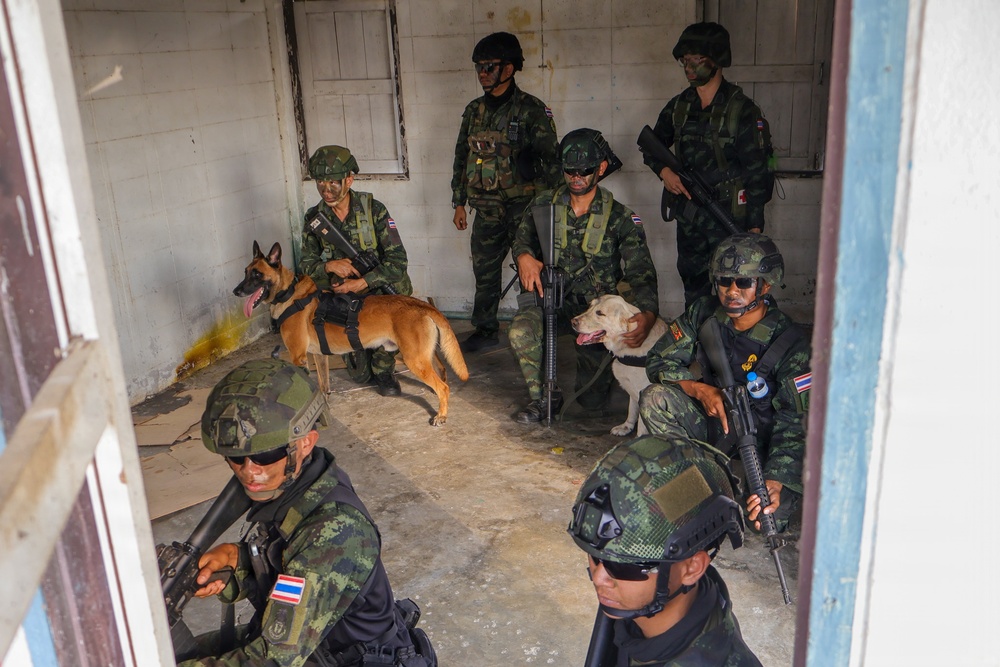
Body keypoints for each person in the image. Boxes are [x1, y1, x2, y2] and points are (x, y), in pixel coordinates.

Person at [177, 358, 434, 667]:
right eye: (235, 456)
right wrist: (236, 561)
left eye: (265, 454)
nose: (249, 471)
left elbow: (275, 660)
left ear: (305, 443)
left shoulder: (335, 529)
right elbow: (288, 564)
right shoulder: (301, 483)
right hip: (316, 643)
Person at [638, 234, 811, 532]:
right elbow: (658, 361)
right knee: (656, 398)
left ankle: (731, 485)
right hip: (715, 423)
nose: (732, 291)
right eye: (724, 281)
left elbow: (794, 423)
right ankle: (693, 480)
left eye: (744, 283)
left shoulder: (791, 343)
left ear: (765, 285)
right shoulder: (704, 313)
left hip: (765, 439)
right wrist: (698, 389)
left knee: (763, 520)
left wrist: (776, 480)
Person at [567, 434, 762, 666]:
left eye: (623, 566)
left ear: (692, 568)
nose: (599, 578)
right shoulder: (646, 612)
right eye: (596, 558)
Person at [508, 128, 659, 423]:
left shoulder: (621, 218)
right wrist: (523, 255)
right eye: (569, 170)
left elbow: (642, 272)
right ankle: (542, 398)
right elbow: (521, 238)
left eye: (585, 170)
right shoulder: (543, 205)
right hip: (554, 302)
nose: (576, 176)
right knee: (520, 331)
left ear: (601, 168)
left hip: (596, 314)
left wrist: (648, 314)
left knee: (592, 402)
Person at [643, 22, 774, 307]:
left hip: (728, 217)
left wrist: (754, 227)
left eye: (698, 60)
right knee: (693, 285)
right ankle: (698, 342)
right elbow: (650, 145)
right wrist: (664, 171)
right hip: (690, 217)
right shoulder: (679, 107)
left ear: (718, 60)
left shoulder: (742, 111)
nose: (690, 68)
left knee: (733, 287)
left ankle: (728, 346)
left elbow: (757, 173)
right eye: (685, 61)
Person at [451, 31, 561, 353]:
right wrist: (459, 202)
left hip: (522, 209)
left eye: (489, 67)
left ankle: (541, 329)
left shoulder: (531, 110)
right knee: (484, 273)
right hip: (485, 210)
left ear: (509, 70)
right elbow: (461, 157)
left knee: (533, 271)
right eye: (479, 68)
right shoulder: (473, 112)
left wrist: (547, 206)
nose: (482, 73)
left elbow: (553, 162)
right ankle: (486, 330)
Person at [299, 144, 413, 397]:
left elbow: (398, 260)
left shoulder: (374, 209)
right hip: (343, 298)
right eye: (320, 183)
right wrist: (328, 266)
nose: (326, 191)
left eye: (333, 184)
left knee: (401, 290)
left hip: (376, 291)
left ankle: (385, 369)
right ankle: (365, 355)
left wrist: (364, 282)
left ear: (349, 179)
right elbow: (305, 265)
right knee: (361, 375)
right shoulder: (315, 218)